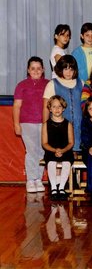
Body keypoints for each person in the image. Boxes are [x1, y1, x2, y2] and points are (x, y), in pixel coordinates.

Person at [13, 56, 49, 193]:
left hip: (44, 123)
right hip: (27, 122)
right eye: (33, 68)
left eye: (39, 68)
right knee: (31, 150)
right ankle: (30, 179)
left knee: (42, 150)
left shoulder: (48, 84)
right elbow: (16, 106)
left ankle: (38, 179)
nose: (36, 71)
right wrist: (17, 124)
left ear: (43, 70)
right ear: (28, 70)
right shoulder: (21, 85)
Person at [43, 55, 83, 152]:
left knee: (77, 157)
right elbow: (45, 108)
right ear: (60, 69)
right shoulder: (52, 84)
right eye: (65, 69)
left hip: (79, 127)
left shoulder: (81, 83)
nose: (68, 72)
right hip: (59, 128)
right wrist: (45, 127)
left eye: (71, 69)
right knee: (60, 156)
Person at [42, 95, 74, 200]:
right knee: (51, 162)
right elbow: (44, 143)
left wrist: (62, 150)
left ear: (63, 108)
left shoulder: (68, 124)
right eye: (54, 107)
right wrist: (55, 150)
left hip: (66, 151)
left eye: (59, 106)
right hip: (51, 150)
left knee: (66, 162)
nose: (57, 109)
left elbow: (71, 143)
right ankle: (53, 188)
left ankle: (61, 188)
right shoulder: (46, 125)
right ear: (50, 109)